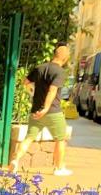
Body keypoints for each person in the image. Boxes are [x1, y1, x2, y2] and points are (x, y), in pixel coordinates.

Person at [9, 45, 71, 176]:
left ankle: (15, 160)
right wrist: (46, 108)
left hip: (36, 111)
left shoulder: (39, 68)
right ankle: (59, 168)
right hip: (53, 111)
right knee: (61, 139)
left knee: (29, 138)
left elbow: (25, 82)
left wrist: (32, 92)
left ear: (54, 54)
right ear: (65, 58)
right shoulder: (59, 72)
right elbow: (52, 91)